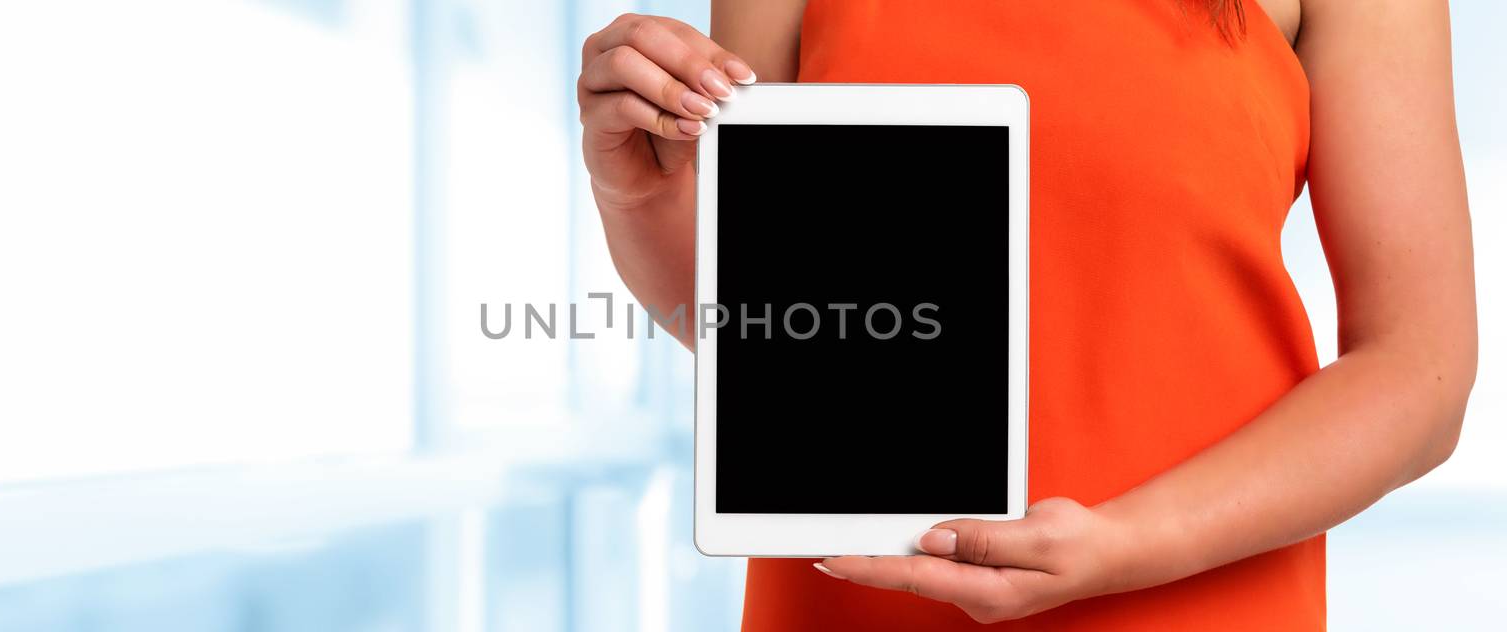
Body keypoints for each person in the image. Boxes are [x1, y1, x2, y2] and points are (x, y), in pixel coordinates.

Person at [576, 0, 1477, 629]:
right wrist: (639, 200)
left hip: (1198, 605)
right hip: (855, 607)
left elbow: (1419, 370)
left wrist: (1131, 543)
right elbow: (797, 331)